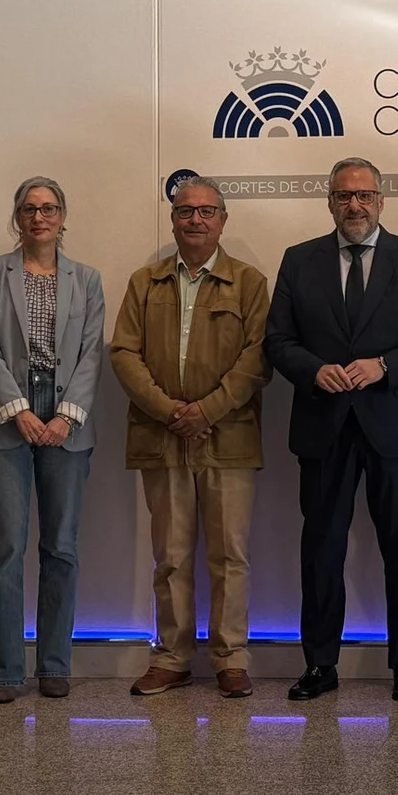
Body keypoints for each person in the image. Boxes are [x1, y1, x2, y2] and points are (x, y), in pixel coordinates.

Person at [264, 156, 398, 702]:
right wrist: (311, 370)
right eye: (344, 196)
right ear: (330, 201)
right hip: (324, 424)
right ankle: (320, 664)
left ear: (381, 201)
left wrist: (385, 367)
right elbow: (279, 341)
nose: (355, 205)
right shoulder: (299, 261)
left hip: (395, 426)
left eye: (365, 195)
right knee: (321, 549)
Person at [110, 176, 272, 700]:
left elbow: (258, 358)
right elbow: (124, 355)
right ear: (174, 219)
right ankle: (172, 657)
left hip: (229, 435)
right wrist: (167, 409)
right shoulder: (144, 282)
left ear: (223, 220)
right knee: (172, 556)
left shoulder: (249, 283)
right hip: (162, 436)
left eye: (206, 211)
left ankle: (230, 658)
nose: (195, 219)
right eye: (185, 211)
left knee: (230, 555)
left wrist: (207, 409)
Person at [0, 177, 107, 704]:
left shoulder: (87, 280)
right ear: (17, 218)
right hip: (4, 420)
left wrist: (66, 416)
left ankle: (53, 664)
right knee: (6, 546)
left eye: (48, 208)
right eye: (29, 208)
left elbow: (92, 353)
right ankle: (3, 671)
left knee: (61, 547)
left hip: (68, 421)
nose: (39, 216)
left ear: (63, 217)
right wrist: (18, 410)